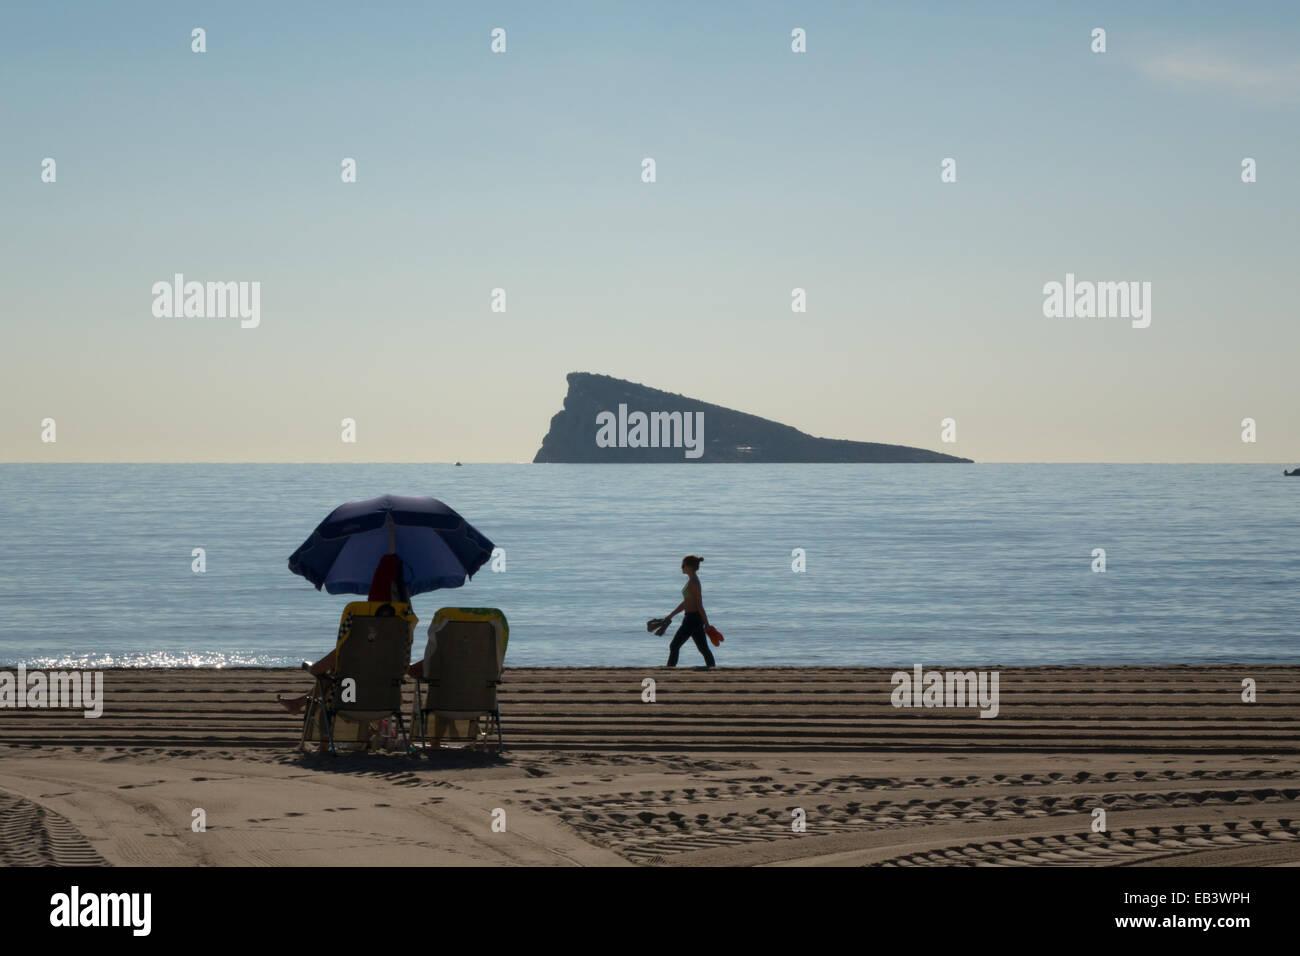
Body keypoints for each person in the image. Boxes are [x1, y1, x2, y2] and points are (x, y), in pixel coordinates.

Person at [277, 554, 413, 715]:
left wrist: (312, 668)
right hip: (388, 704)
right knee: (342, 679)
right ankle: (299, 703)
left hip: (349, 703)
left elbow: (317, 670)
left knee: (336, 682)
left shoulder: (354, 647)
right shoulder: (399, 643)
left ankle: (317, 726)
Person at [663, 554, 715, 668]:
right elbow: (685, 602)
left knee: (674, 645)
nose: (681, 567)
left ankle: (669, 669)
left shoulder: (694, 583)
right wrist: (670, 615)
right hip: (692, 618)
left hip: (692, 619)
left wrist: (707, 623)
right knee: (703, 648)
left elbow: (699, 605)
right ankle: (712, 668)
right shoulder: (690, 581)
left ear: (689, 567)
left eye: (683, 565)